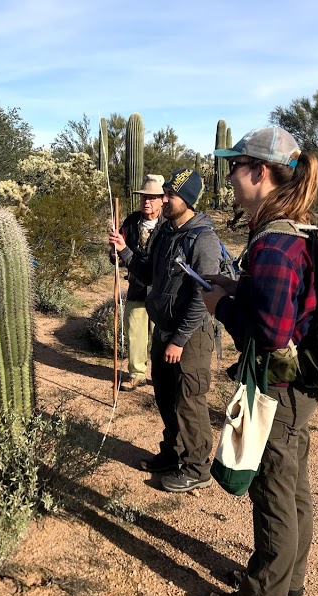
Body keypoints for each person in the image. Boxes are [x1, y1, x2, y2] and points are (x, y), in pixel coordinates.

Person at [201, 126, 318, 596]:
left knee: (272, 488)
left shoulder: (274, 242)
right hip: (303, 383)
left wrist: (221, 304)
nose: (230, 176)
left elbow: (270, 333)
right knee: (292, 484)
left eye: (236, 166)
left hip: (279, 387)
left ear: (260, 172)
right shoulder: (296, 230)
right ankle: (286, 580)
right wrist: (238, 290)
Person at [108, 168, 222, 492]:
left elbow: (203, 296)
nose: (163, 199)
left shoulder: (203, 240)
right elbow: (150, 274)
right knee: (166, 398)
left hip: (190, 337)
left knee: (189, 402)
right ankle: (173, 454)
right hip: (163, 330)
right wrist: (125, 250)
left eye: (170, 194)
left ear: (185, 200)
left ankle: (197, 468)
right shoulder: (166, 233)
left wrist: (179, 340)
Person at [113, 174, 165, 392]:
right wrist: (115, 249)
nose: (147, 202)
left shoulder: (168, 225)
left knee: (161, 336)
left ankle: (162, 376)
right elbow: (117, 254)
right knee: (135, 332)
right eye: (144, 197)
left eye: (153, 198)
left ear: (163, 199)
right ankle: (137, 374)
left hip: (162, 291)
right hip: (137, 288)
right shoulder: (131, 222)